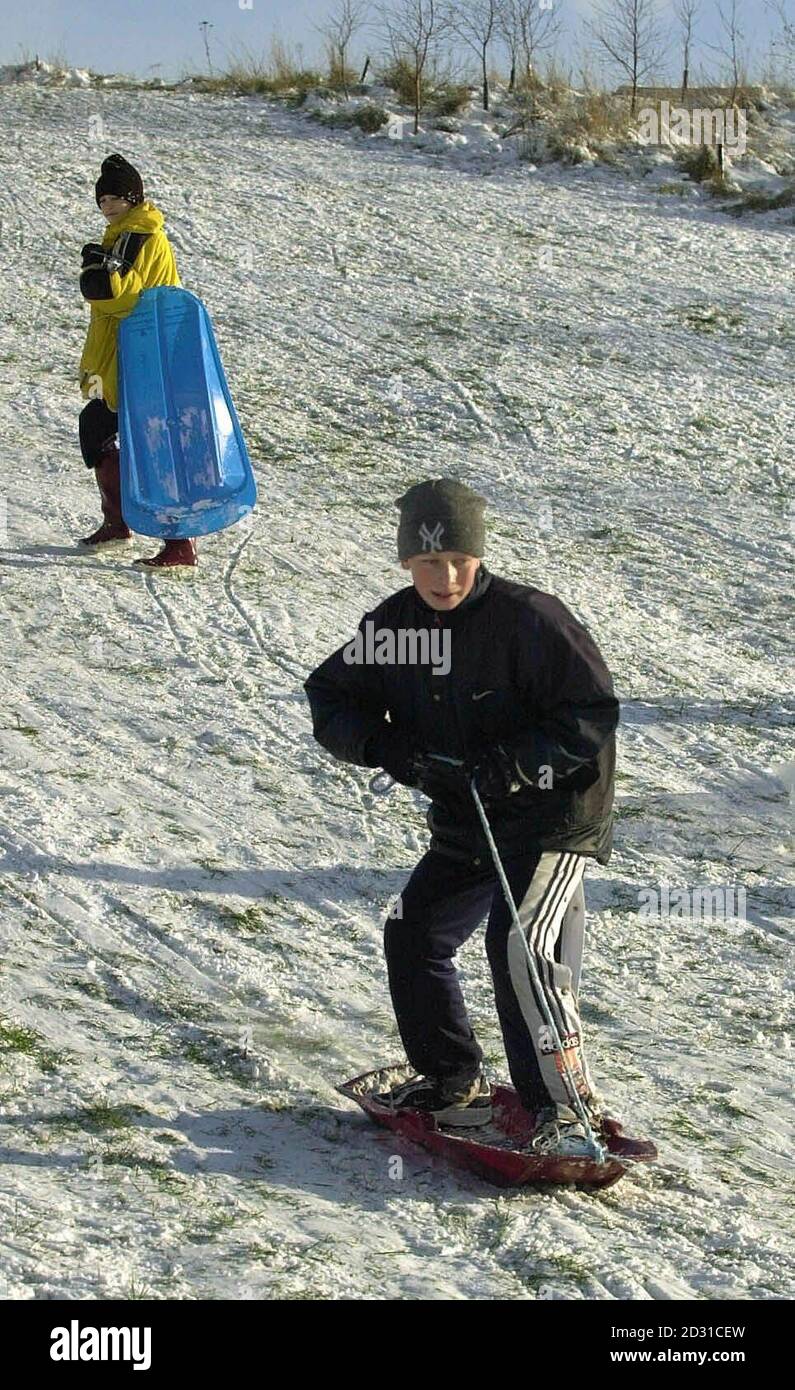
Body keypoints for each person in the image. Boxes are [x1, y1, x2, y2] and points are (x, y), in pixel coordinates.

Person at [304, 479, 620, 1157]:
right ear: (403, 563)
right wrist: (390, 748)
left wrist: (511, 763)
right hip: (467, 818)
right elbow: (330, 697)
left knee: (519, 947)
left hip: (551, 815)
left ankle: (564, 1109)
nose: (443, 577)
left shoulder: (529, 620)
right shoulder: (394, 629)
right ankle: (451, 1079)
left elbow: (589, 714)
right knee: (414, 931)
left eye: (458, 561)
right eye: (426, 564)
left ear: (478, 558)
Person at [77, 153, 197, 570]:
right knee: (97, 429)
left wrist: (95, 280)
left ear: (133, 198)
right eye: (102, 199)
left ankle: (179, 543)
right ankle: (118, 523)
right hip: (130, 354)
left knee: (152, 444)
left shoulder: (140, 235)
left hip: (147, 356)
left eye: (114, 197)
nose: (107, 205)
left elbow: (123, 297)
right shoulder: (121, 234)